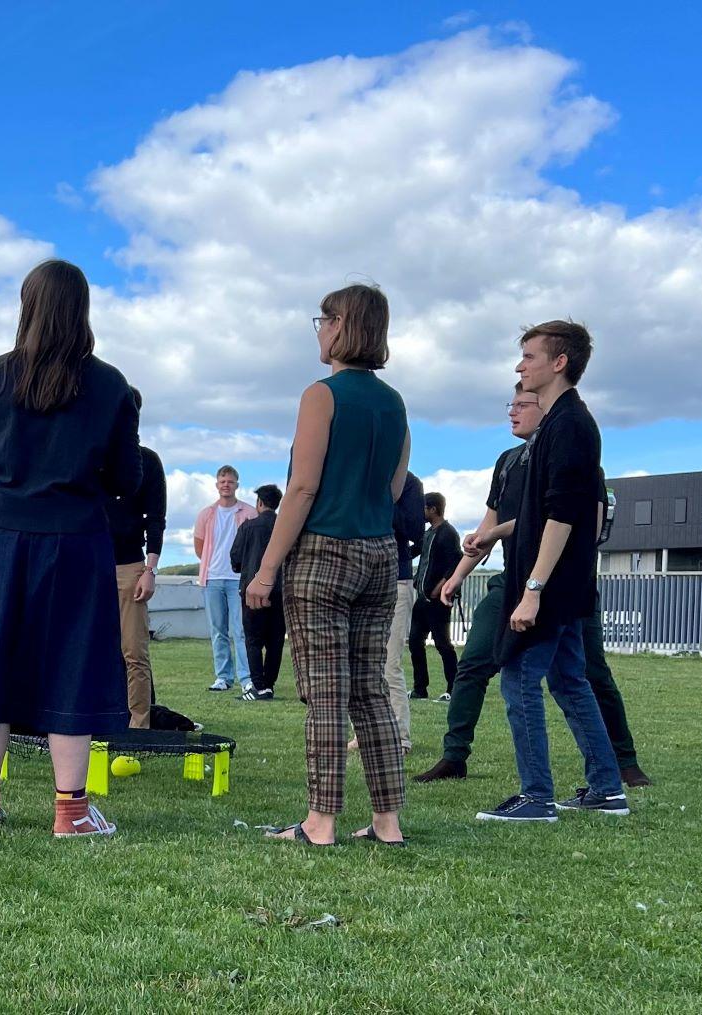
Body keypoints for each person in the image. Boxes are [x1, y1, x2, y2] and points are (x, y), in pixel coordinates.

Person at [0, 259, 140, 837]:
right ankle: (71, 812)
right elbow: (127, 478)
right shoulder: (110, 385)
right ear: (82, 309)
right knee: (72, 662)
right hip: (75, 539)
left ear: (27, 306)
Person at [415, 385, 652, 787]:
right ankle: (454, 757)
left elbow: (574, 524)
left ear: (546, 407)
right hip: (511, 583)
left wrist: (504, 542)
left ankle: (622, 762)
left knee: (588, 674)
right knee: (473, 665)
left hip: (565, 585)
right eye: (512, 404)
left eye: (522, 404)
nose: (513, 412)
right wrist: (457, 575)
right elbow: (487, 528)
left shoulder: (576, 455)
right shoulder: (507, 462)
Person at [247, 283, 410, 847]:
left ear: (340, 325)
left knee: (325, 694)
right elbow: (394, 488)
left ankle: (320, 822)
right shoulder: (394, 402)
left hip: (323, 553)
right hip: (380, 552)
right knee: (370, 690)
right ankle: (387, 822)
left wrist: (266, 569)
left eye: (323, 320)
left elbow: (302, 488)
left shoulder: (321, 395)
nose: (319, 330)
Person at [475, 321, 628, 822]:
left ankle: (537, 796)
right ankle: (607, 790)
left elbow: (563, 516)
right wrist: (496, 535)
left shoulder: (570, 425)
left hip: (552, 586)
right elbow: (543, 514)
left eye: (529, 356)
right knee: (568, 681)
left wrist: (533, 589)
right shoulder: (558, 424)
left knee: (518, 679)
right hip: (561, 584)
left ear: (559, 363)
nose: (520, 366)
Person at [350, 471, 423, 752]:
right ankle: (363, 733)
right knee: (357, 662)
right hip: (356, 577)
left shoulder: (409, 483)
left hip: (396, 579)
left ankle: (400, 736)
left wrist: (383, 496)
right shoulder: (356, 476)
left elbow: (415, 530)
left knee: (390, 662)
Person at [106, 390, 166, 728]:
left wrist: (150, 569)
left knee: (134, 652)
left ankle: (138, 725)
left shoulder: (148, 461)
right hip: (88, 565)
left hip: (130, 566)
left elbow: (155, 518)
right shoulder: (91, 458)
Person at [194, 466, 257, 692]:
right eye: (222, 481)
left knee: (241, 630)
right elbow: (200, 547)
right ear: (217, 485)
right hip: (212, 579)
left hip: (239, 579)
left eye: (230, 481)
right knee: (218, 630)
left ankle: (246, 678)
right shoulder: (206, 514)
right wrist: (212, 564)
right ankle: (223, 677)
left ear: (237, 485)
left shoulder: (249, 512)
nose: (226, 485)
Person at [231, 484, 285, 701]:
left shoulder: (248, 527)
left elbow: (235, 559)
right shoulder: (285, 527)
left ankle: (258, 686)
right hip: (280, 590)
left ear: (259, 503)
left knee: (253, 640)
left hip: (252, 590)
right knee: (275, 641)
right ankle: (269, 685)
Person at [408, 492, 462, 701]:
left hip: (438, 600)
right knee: (415, 642)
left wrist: (440, 588)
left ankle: (453, 689)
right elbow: (413, 551)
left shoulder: (448, 533)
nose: (421, 512)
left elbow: (455, 562)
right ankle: (420, 689)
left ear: (433, 509)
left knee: (443, 644)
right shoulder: (427, 534)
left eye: (424, 508)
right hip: (422, 599)